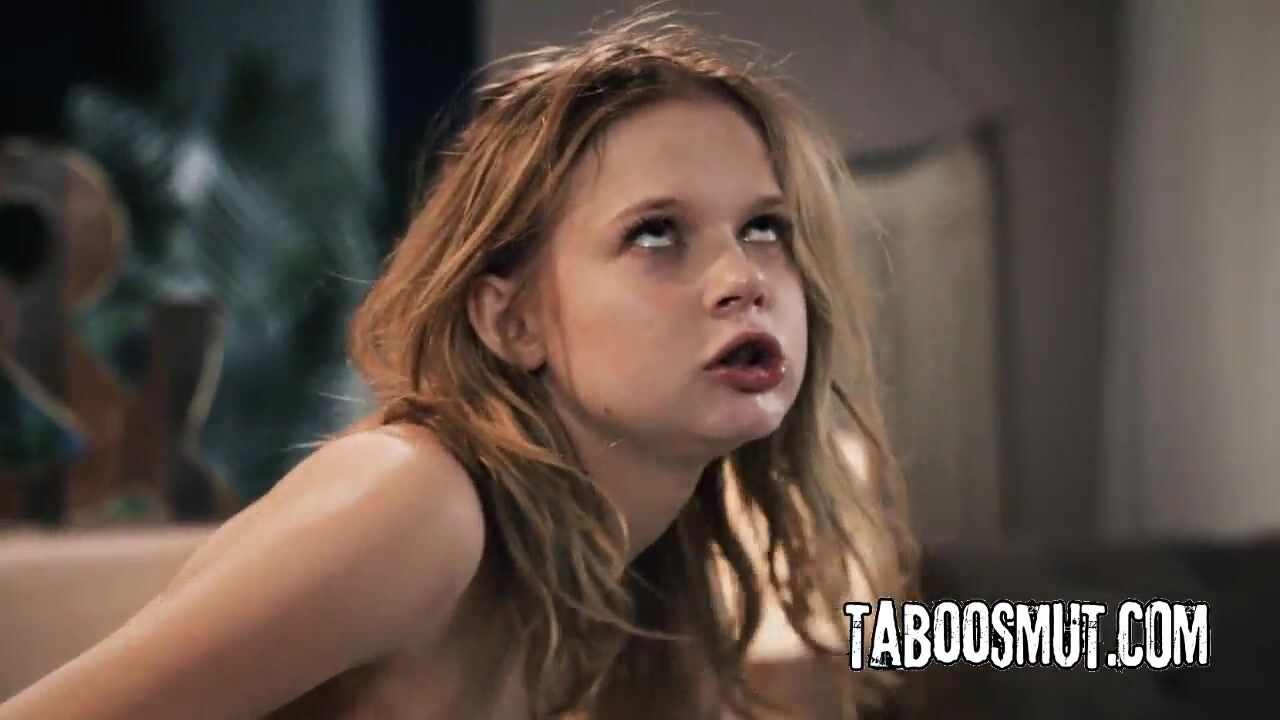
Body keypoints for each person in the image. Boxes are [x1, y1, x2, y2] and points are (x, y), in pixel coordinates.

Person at [0, 7, 917, 719]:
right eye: (655, 234)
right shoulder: (416, 504)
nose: (743, 278)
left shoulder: (646, 561)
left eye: (765, 227)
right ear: (511, 322)